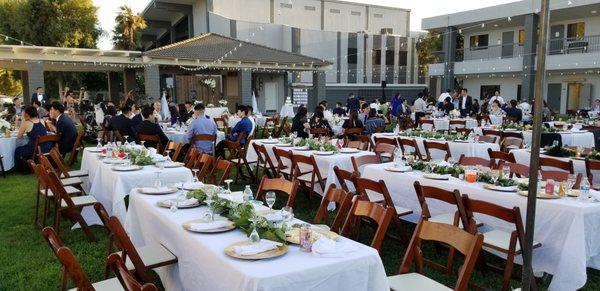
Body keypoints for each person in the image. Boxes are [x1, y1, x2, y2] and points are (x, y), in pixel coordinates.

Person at [14, 106, 50, 171]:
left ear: (27, 114)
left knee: (18, 150)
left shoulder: (26, 123)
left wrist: (23, 120)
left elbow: (18, 136)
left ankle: (21, 169)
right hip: (45, 147)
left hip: (34, 149)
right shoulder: (41, 121)